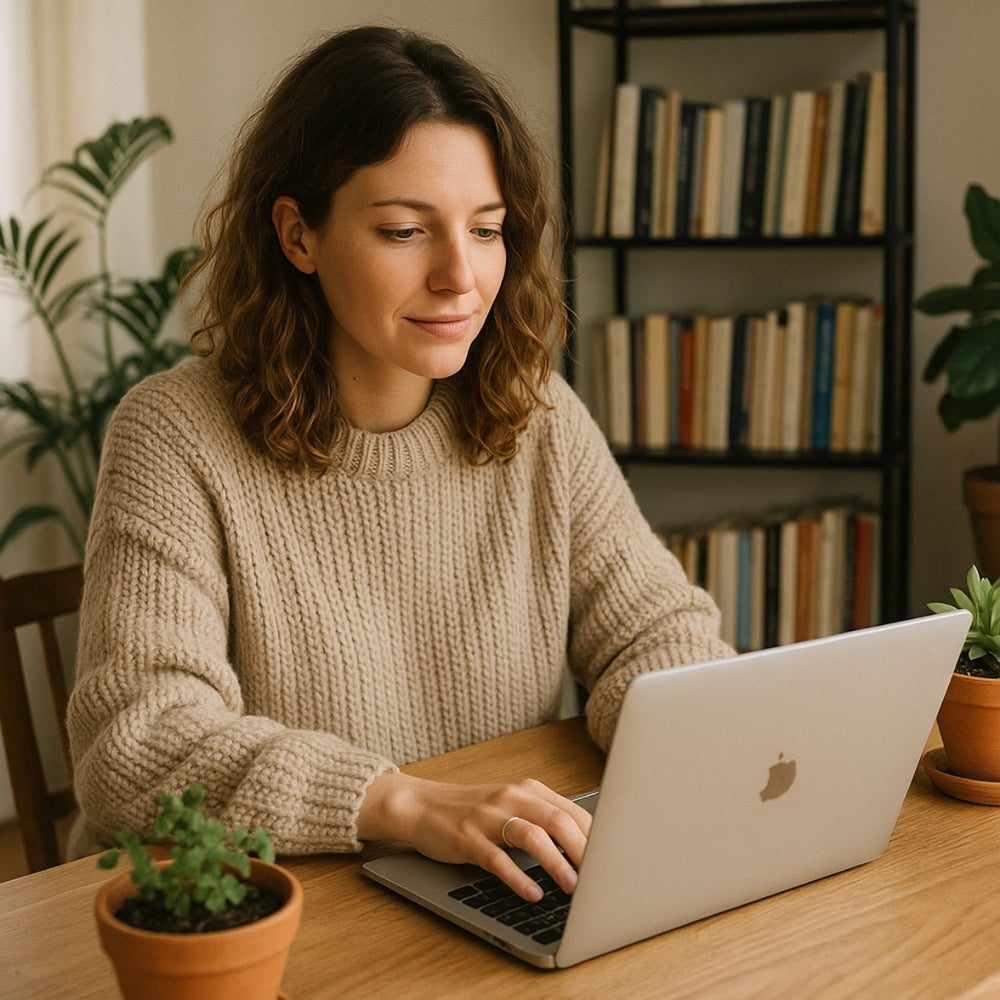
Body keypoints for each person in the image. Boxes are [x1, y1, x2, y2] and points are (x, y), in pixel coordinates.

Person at [66, 25, 732, 902]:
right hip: (254, 908)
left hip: (495, 886)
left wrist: (692, 735)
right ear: (298, 236)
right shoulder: (174, 434)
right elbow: (137, 742)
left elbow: (656, 628)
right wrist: (404, 805)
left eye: (487, 229)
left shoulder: (534, 413)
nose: (462, 276)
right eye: (406, 230)